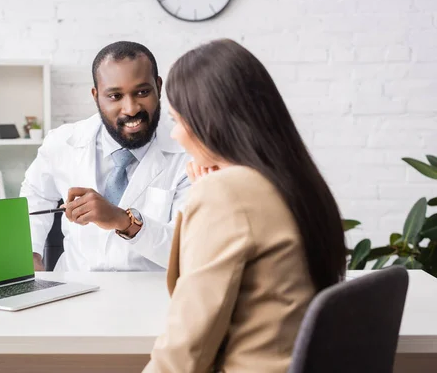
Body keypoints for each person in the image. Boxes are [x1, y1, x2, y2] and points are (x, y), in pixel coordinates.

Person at [143, 39, 347, 373]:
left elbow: (183, 353)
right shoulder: (296, 181)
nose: (176, 135)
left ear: (208, 122)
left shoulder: (225, 195)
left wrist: (210, 196)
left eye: (177, 120)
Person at [19, 41, 191, 272]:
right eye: (115, 96)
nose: (130, 108)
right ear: (96, 95)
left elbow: (187, 250)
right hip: (75, 290)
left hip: (152, 296)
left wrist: (123, 221)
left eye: (142, 92)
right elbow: (34, 197)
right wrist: (30, 252)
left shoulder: (189, 154)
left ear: (158, 87)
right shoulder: (62, 143)